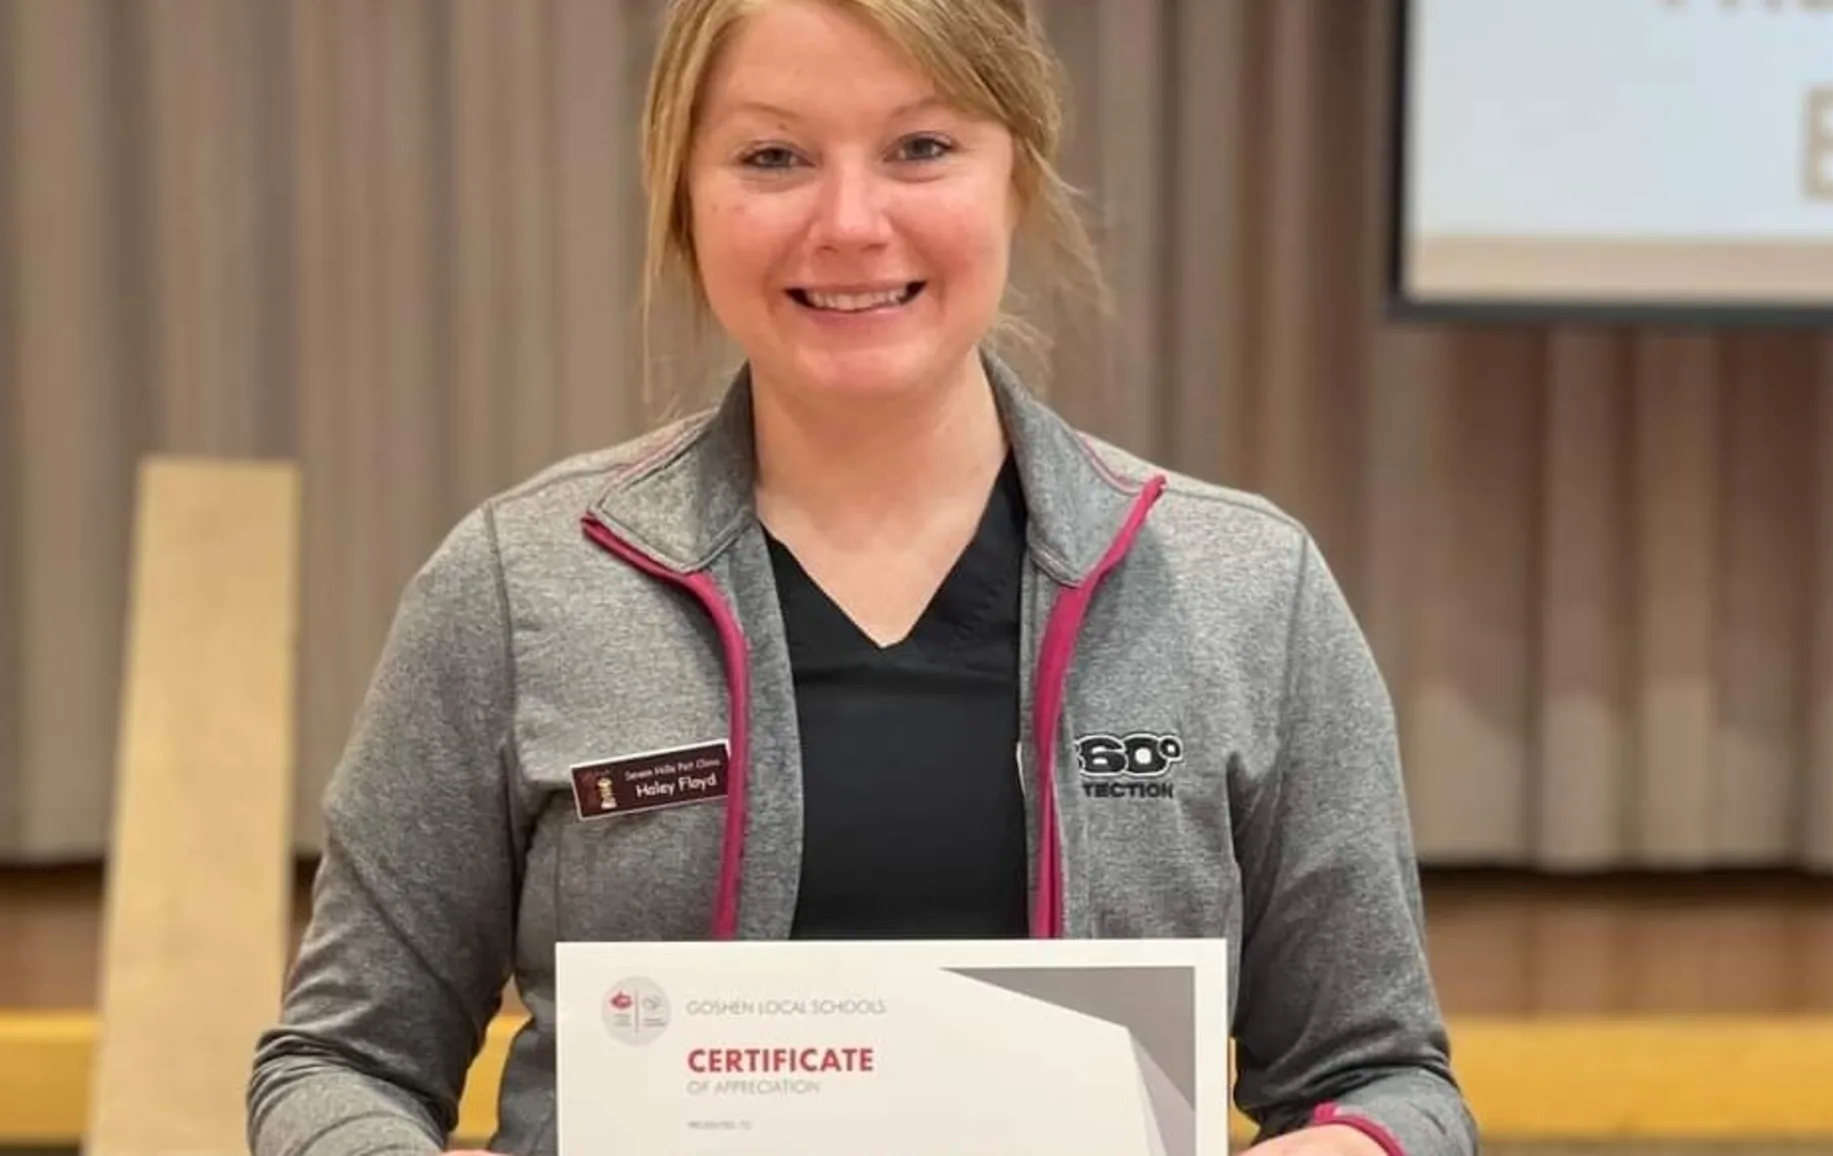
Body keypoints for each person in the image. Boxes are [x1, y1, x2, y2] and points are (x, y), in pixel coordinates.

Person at [245, 0, 1476, 1153]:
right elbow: (337, 1065)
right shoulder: (519, 585)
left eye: (920, 148)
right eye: (772, 157)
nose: (847, 222)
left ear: (1016, 176)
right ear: (682, 199)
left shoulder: (1243, 589)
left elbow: (1384, 1080)